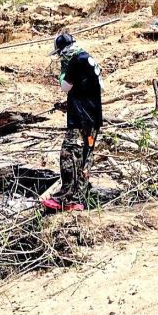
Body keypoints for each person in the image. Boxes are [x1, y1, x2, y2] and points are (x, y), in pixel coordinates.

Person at [43, 30, 103, 213]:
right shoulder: (89, 59)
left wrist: (63, 72)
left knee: (69, 154)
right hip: (93, 118)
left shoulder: (75, 60)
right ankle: (79, 199)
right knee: (86, 156)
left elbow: (65, 86)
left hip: (79, 118)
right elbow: (97, 87)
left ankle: (67, 198)